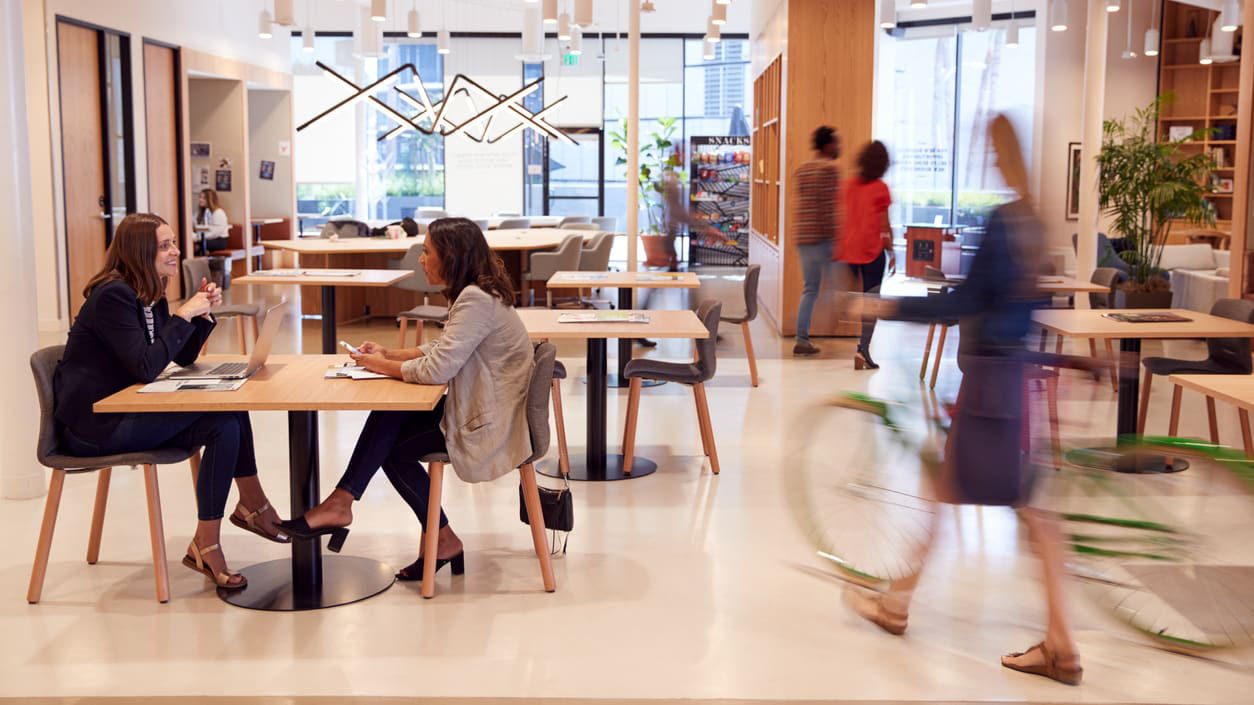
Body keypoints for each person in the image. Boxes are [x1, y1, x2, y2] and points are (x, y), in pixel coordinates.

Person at [843, 115, 1081, 685]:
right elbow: (1012, 304)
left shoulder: (1004, 220)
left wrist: (888, 307)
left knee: (1009, 507)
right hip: (1010, 379)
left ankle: (1059, 645)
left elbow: (969, 301)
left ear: (998, 154)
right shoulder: (1034, 222)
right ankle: (902, 606)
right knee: (984, 498)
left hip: (990, 384)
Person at [279, 218, 534, 581]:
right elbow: (444, 350)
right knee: (390, 416)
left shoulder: (475, 299)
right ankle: (350, 505)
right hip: (488, 408)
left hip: (490, 424)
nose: (421, 260)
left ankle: (348, 505)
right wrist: (389, 354)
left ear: (451, 256)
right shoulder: (478, 293)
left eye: (427, 252)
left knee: (392, 444)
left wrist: (379, 365)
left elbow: (436, 370)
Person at [54, 213, 288, 592]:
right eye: (165, 245)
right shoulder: (113, 295)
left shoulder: (149, 290)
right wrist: (183, 313)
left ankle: (225, 526)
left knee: (228, 413)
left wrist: (202, 316)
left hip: (125, 409)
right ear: (138, 252)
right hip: (94, 426)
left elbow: (180, 357)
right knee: (224, 420)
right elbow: (147, 367)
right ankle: (239, 518)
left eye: (173, 243)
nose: (175, 252)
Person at [836, 140, 896, 370]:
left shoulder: (848, 185)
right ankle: (863, 349)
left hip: (848, 251)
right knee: (871, 302)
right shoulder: (881, 188)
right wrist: (891, 251)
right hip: (871, 252)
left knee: (855, 299)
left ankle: (859, 346)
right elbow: (884, 224)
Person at [791, 126, 842, 356]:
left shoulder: (802, 170)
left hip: (803, 236)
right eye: (837, 142)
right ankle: (841, 330)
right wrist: (839, 237)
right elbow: (829, 208)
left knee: (810, 289)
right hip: (822, 237)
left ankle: (802, 337)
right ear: (828, 145)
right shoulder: (830, 169)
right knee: (835, 285)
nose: (839, 146)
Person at [196, 189, 230, 254]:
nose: (200, 200)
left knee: (198, 245)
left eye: (203, 198)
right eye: (200, 197)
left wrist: (200, 237)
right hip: (207, 238)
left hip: (219, 241)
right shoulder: (203, 212)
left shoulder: (218, 213)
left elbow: (215, 232)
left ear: (210, 200)